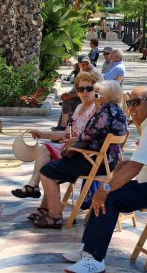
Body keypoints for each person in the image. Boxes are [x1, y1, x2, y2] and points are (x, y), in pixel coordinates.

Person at [62, 86, 147, 272]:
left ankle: (95, 259)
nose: (131, 108)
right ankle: (88, 250)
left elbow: (135, 168)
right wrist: (114, 178)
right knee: (106, 194)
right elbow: (142, 161)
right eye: (129, 103)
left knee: (109, 197)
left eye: (136, 103)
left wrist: (105, 188)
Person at [33, 80, 128, 229]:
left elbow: (86, 136)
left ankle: (54, 216)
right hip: (109, 162)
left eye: (97, 94)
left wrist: (72, 142)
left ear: (104, 96)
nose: (95, 97)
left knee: (47, 171)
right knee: (57, 171)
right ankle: (47, 210)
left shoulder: (104, 111)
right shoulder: (119, 111)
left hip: (94, 161)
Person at [12, 72, 98, 200]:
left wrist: (72, 139)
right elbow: (66, 133)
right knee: (47, 164)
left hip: (81, 152)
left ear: (94, 89)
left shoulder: (96, 108)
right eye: (81, 89)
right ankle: (45, 208)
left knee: (46, 155)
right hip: (69, 149)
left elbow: (91, 136)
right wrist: (42, 134)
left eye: (89, 89)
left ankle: (35, 189)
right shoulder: (79, 107)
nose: (85, 92)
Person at [57, 56, 102, 129]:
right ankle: (62, 126)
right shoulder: (81, 72)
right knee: (66, 101)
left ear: (90, 62)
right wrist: (67, 95)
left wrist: (71, 95)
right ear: (79, 65)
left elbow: (92, 91)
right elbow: (76, 87)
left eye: (87, 64)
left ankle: (68, 128)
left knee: (73, 103)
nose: (85, 66)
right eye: (83, 65)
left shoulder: (95, 73)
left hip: (93, 98)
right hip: (82, 96)